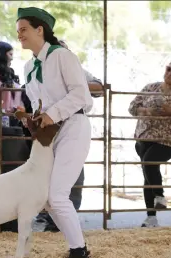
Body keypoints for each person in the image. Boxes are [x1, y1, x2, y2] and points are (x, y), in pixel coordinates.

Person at [16, 7, 93, 258]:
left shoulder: (63, 56)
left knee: (57, 195)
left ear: (40, 30)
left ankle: (79, 252)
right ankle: (77, 248)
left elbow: (82, 95)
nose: (19, 35)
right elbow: (39, 102)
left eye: (24, 29)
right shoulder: (28, 66)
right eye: (17, 31)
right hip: (49, 132)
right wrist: (30, 115)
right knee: (48, 196)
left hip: (74, 126)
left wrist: (53, 113)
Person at [39, 39, 104, 232]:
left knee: (72, 172)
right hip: (50, 125)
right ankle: (50, 217)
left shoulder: (76, 69)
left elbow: (99, 87)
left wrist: (79, 85)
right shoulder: (40, 71)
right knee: (47, 170)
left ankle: (70, 215)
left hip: (73, 122)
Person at [128, 58, 171, 228]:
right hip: (143, 137)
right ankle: (151, 218)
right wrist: (145, 110)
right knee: (147, 172)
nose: (169, 74)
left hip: (168, 140)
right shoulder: (151, 87)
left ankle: (160, 196)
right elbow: (132, 107)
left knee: (149, 162)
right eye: (168, 69)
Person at [0, 41, 23, 113]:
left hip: (11, 116)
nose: (12, 58)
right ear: (2, 55)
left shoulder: (9, 73)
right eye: (10, 54)